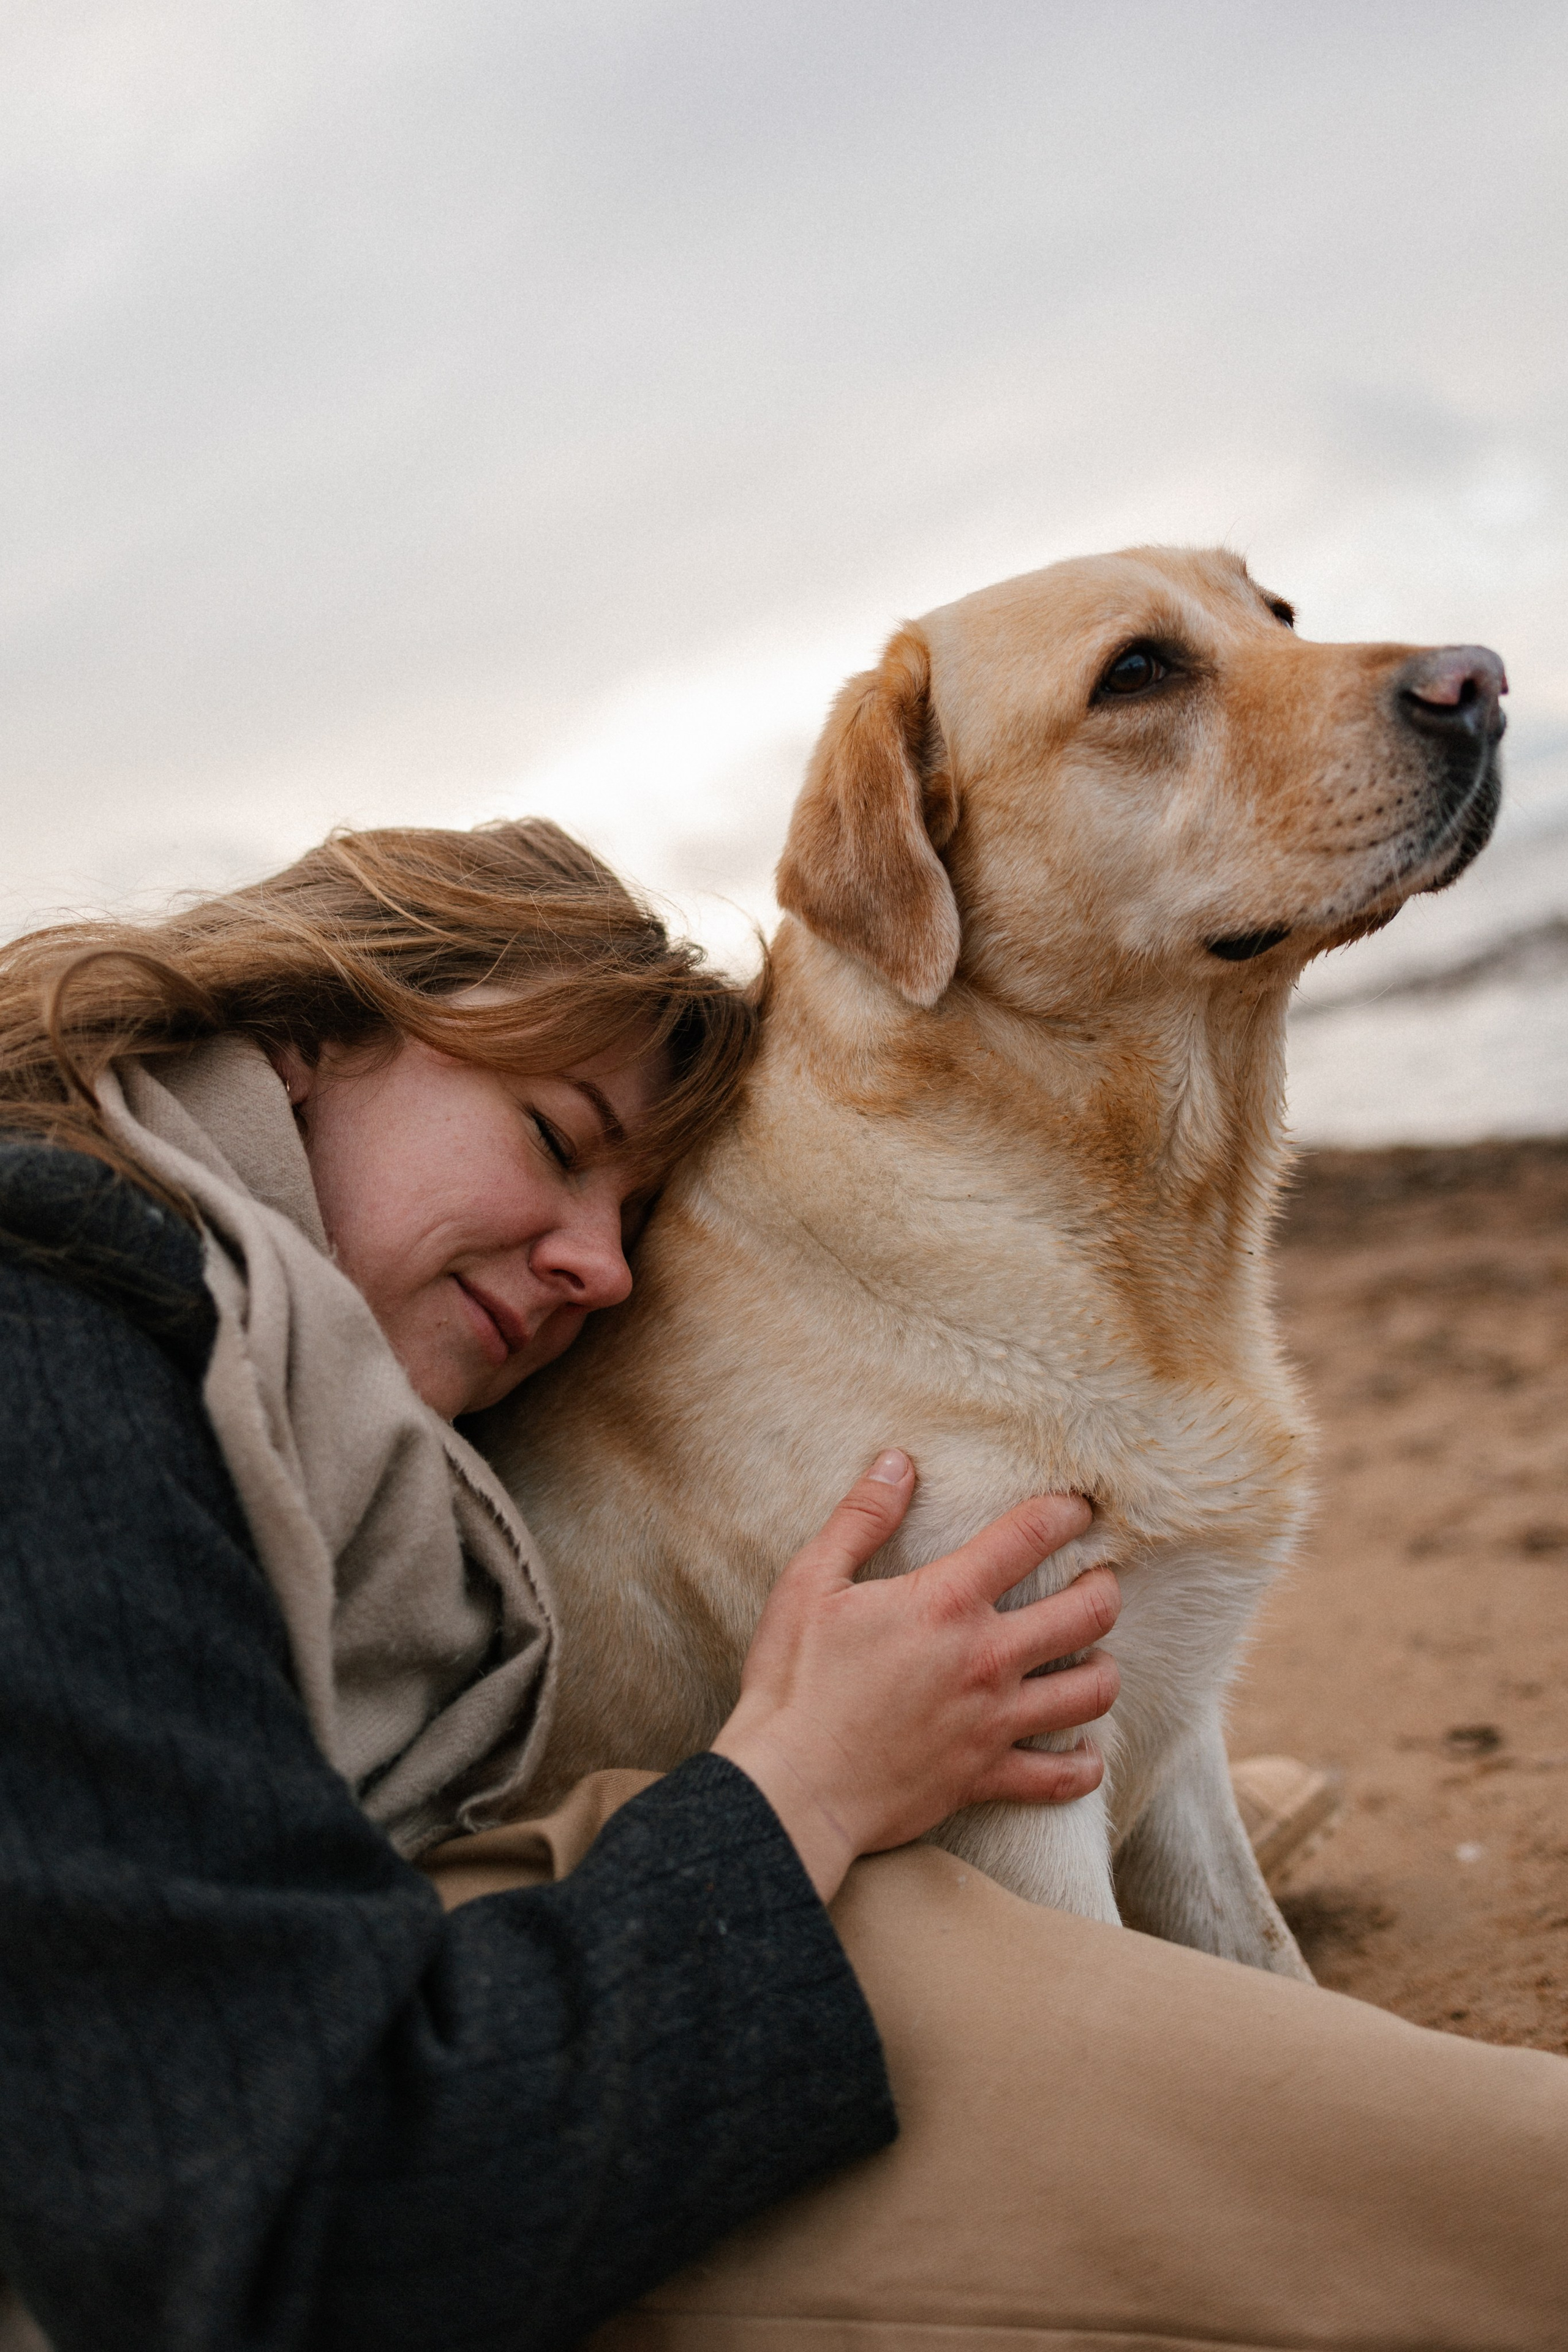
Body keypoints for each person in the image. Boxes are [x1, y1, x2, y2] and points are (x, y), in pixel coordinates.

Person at [0, 821, 1562, 2352]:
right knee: (967, 1969)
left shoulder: (230, 1377)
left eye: (627, 1223)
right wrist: (795, 1790)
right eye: (552, 1140)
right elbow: (270, 2227)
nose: (597, 1272)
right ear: (297, 1037)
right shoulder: (57, 1336)